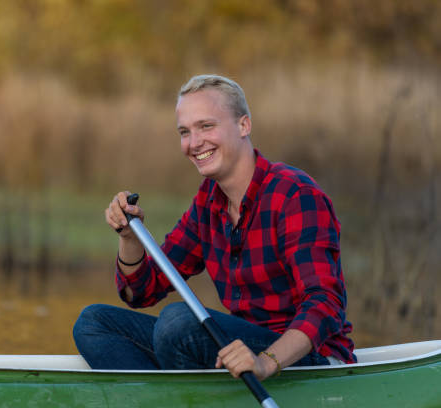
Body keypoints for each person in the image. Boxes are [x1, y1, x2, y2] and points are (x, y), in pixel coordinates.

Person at [73, 74, 355, 380]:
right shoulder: (208, 203)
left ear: (244, 125)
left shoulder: (295, 195)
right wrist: (129, 237)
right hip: (237, 354)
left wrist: (265, 361)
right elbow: (142, 291)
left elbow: (325, 305)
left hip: (303, 358)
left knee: (178, 323)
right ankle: (170, 402)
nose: (194, 143)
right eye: (185, 131)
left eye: (206, 126)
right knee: (93, 323)